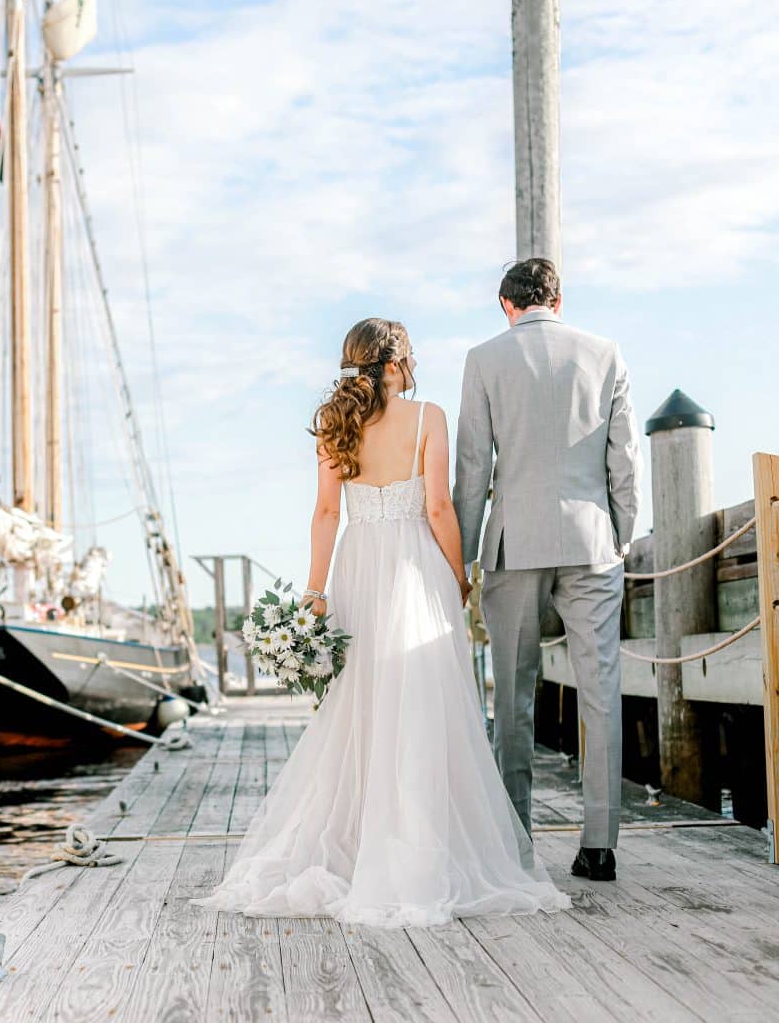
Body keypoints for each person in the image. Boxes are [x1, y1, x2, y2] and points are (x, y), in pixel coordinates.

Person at [191, 317, 570, 926]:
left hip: (358, 567)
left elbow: (324, 513)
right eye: (412, 355)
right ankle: (415, 846)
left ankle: (363, 842)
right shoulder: (428, 418)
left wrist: (315, 593)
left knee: (363, 704)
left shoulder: (335, 423)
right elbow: (439, 506)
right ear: (395, 364)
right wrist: (460, 572)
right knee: (420, 703)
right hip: (414, 567)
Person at [454, 258, 643, 882]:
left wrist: (463, 554)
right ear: (557, 300)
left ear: (506, 305)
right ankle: (599, 847)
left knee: (512, 697)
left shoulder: (484, 359)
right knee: (601, 692)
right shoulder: (605, 353)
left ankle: (515, 845)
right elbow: (625, 461)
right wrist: (621, 535)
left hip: (514, 542)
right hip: (591, 541)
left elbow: (474, 468)